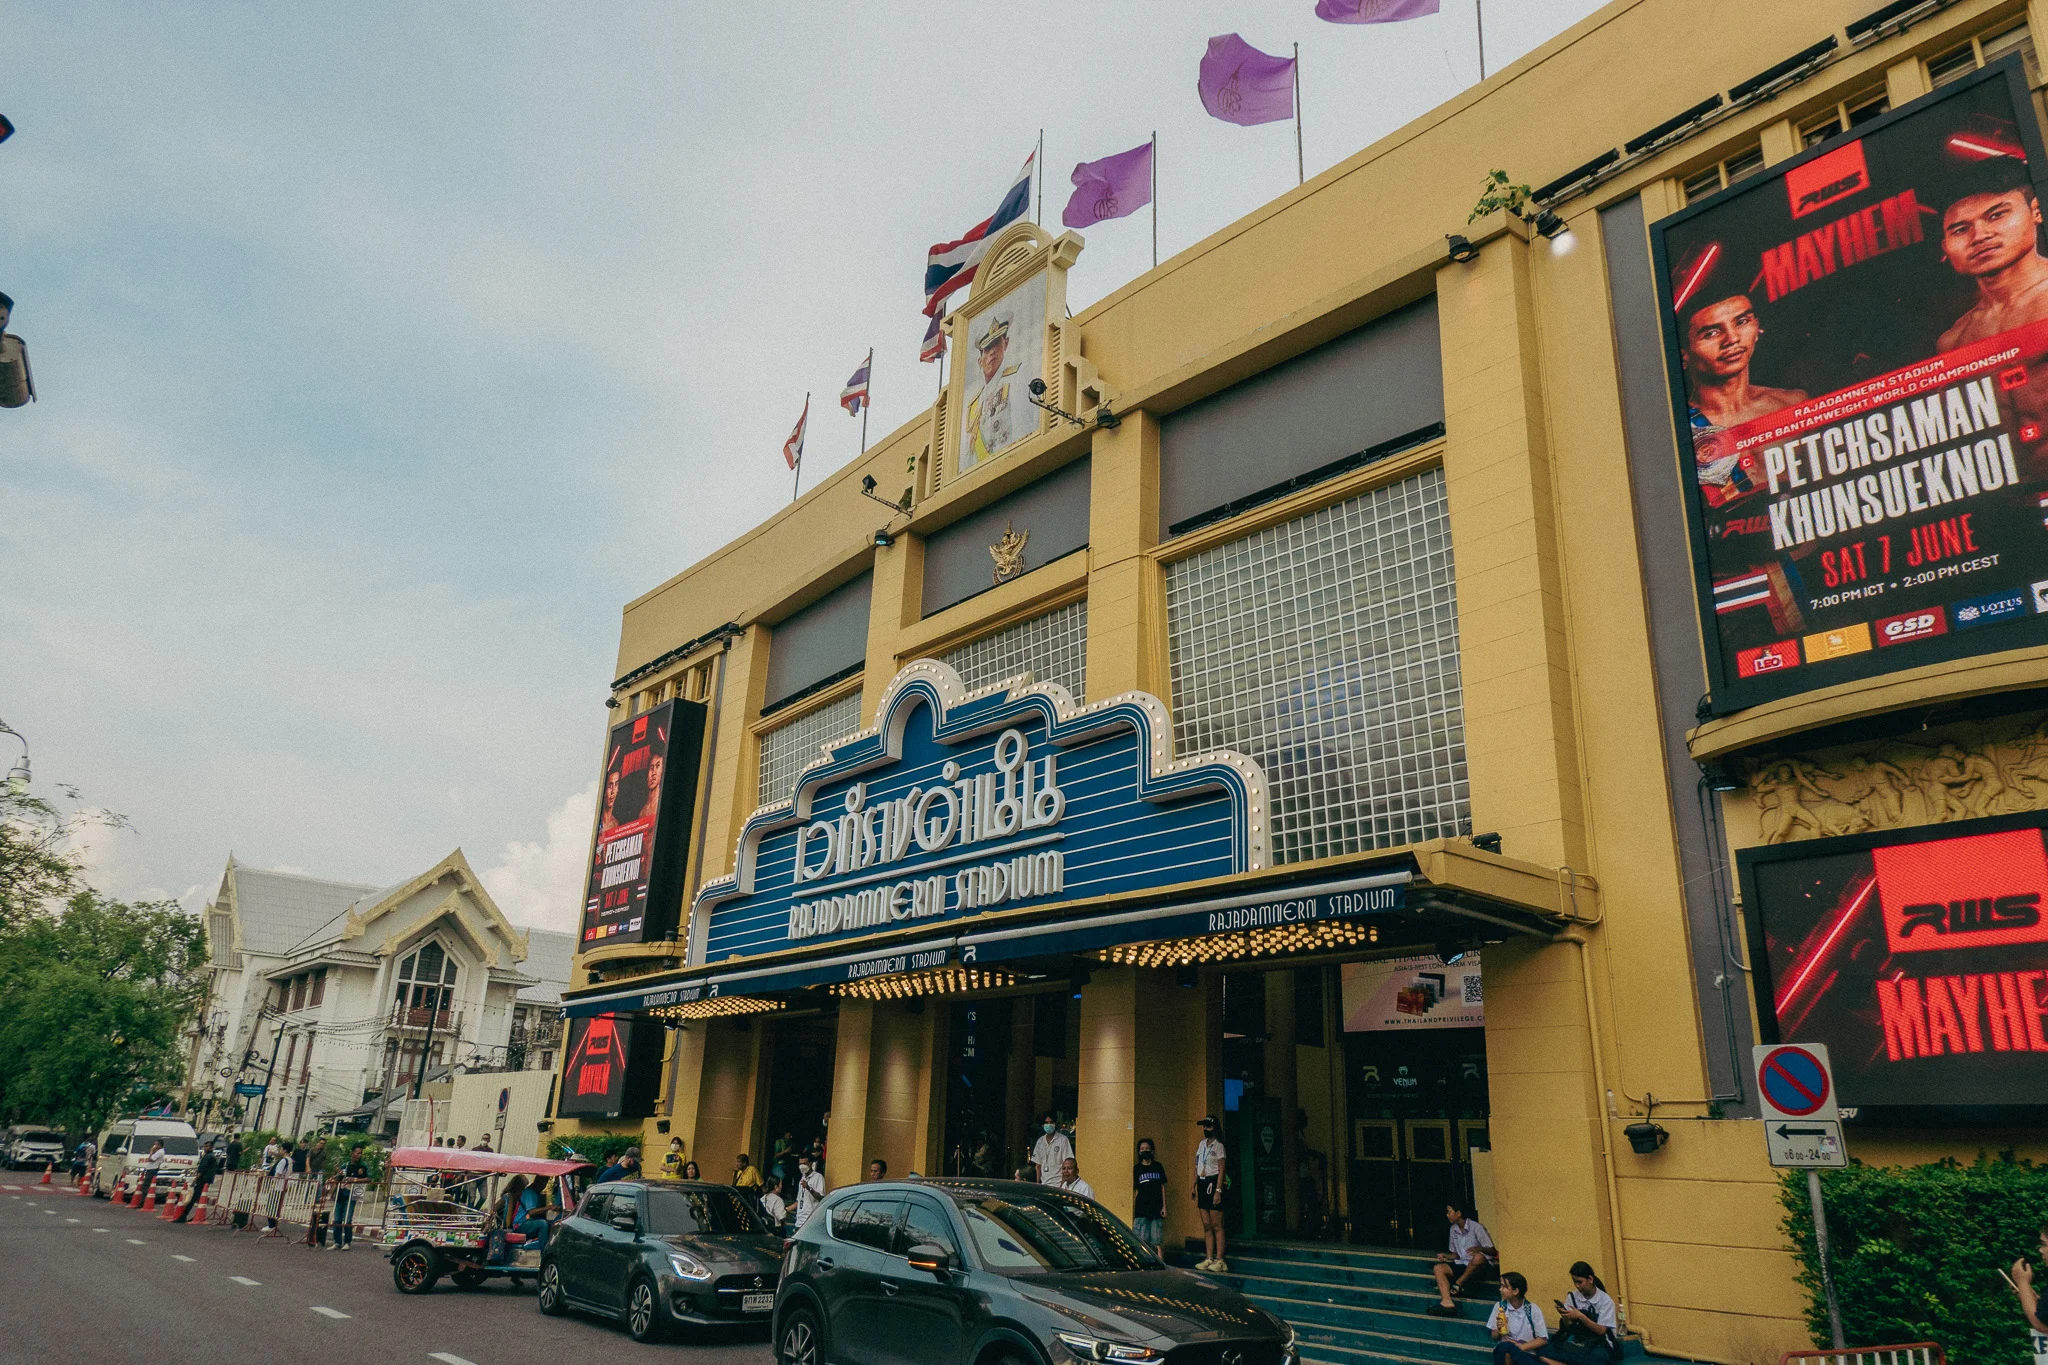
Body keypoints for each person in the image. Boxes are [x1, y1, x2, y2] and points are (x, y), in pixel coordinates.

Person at [1543, 1261, 1620, 1364]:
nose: (1577, 1286)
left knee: (1597, 1359)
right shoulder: (1572, 1297)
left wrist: (1581, 1317)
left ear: (1590, 1279)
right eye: (1575, 1282)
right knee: (1548, 1352)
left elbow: (1601, 1331)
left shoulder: (1605, 1301)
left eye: (1580, 1282)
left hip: (1600, 1343)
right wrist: (1564, 1315)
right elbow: (1569, 1326)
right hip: (1579, 1341)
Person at [1430, 1201, 1499, 1315]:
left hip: (1480, 1267)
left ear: (1458, 1213)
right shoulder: (1453, 1229)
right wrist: (1446, 1256)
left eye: (1449, 1212)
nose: (1447, 1215)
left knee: (1478, 1257)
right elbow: (1455, 1255)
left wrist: (1480, 1249)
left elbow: (1493, 1251)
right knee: (1438, 1268)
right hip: (1463, 1264)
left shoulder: (1477, 1227)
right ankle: (1447, 1301)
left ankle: (1458, 1283)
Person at [1487, 1272, 1550, 1365]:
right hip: (1504, 1351)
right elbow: (1494, 1336)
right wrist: (1499, 1329)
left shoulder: (1532, 1309)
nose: (1500, 1289)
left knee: (1509, 1349)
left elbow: (1542, 1339)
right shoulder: (1500, 1307)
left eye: (1504, 1287)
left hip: (1526, 1353)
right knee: (1505, 1348)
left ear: (1515, 1291)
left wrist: (1521, 1347)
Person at [1193, 1115, 1228, 1272]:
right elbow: (1197, 1164)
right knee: (1206, 1224)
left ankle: (1220, 1259)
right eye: (1204, 1126)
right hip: (1202, 1181)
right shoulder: (1201, 1144)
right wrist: (1194, 1184)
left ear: (1214, 1128)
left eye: (1208, 1126)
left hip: (1213, 1182)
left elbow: (1221, 1170)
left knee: (1216, 1224)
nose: (1205, 1129)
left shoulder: (1219, 1146)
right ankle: (1209, 1257)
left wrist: (1218, 1190)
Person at [1131, 1138, 1167, 1252]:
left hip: (1157, 1208)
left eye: (1147, 1149)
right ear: (1139, 1152)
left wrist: (1164, 1206)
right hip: (1142, 1208)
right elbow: (1136, 1190)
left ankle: (1161, 1265)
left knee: (1157, 1241)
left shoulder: (1158, 1166)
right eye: (1142, 1149)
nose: (1145, 1151)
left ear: (1152, 1151)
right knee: (1141, 1241)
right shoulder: (1137, 1169)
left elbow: (1162, 1187)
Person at [332, 1147, 369, 1250]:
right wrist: (337, 1175)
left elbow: (368, 1178)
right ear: (352, 1153)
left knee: (347, 1219)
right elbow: (338, 1178)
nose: (359, 1155)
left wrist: (355, 1179)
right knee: (337, 1219)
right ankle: (337, 1242)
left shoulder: (363, 1166)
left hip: (351, 1195)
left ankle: (347, 1242)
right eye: (357, 1153)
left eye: (361, 1153)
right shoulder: (346, 1165)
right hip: (341, 1193)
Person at [176, 1140, 220, 1224]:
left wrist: (196, 1178)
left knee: (194, 1198)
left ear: (211, 1148)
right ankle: (196, 1216)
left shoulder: (208, 1157)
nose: (205, 1148)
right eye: (205, 1146)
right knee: (199, 1198)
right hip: (207, 1180)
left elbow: (202, 1169)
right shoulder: (211, 1156)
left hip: (203, 1180)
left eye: (207, 1146)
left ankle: (184, 1216)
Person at [1030, 1112, 1073, 1183]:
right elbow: (1038, 1166)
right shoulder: (1040, 1141)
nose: (1049, 1125)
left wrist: (1062, 1184)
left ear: (1055, 1124)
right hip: (1044, 1183)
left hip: (1058, 1183)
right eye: (1046, 1122)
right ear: (1042, 1125)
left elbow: (1067, 1164)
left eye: (1051, 1122)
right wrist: (1038, 1183)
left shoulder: (1063, 1140)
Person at [793, 1155, 826, 1230]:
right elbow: (799, 1200)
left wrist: (808, 1187)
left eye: (804, 1163)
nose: (802, 1166)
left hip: (811, 1220)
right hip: (800, 1220)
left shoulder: (818, 1177)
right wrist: (787, 1209)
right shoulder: (802, 1179)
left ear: (810, 1164)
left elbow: (821, 1197)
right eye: (800, 1164)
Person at [135, 1139, 166, 1205]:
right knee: (146, 1185)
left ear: (159, 1145)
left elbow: (150, 1159)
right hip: (150, 1168)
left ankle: (143, 1202)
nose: (154, 1146)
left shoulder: (160, 1152)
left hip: (152, 1169)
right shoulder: (158, 1151)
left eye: (156, 1144)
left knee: (146, 1186)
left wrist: (151, 1151)